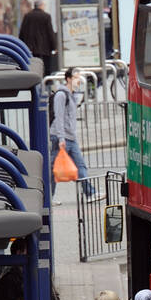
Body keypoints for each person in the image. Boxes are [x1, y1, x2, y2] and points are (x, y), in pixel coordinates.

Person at [50, 68, 97, 203]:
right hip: (60, 137)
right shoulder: (61, 95)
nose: (79, 80)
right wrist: (61, 138)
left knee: (81, 166)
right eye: (76, 77)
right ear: (69, 79)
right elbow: (58, 118)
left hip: (70, 137)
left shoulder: (71, 95)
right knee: (54, 170)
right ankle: (48, 198)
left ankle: (90, 193)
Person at [17, 0, 57, 77]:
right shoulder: (46, 16)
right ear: (41, 6)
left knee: (33, 65)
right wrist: (54, 46)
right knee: (46, 67)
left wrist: (21, 45)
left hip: (30, 47)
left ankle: (35, 79)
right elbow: (50, 32)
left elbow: (22, 31)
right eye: (44, 5)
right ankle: (46, 82)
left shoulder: (28, 16)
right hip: (45, 48)